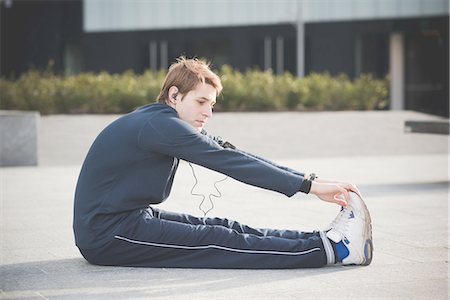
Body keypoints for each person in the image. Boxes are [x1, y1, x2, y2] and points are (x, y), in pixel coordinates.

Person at [73, 56, 373, 268]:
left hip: (127, 220)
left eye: (212, 105)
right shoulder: (161, 126)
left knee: (222, 226)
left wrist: (310, 180)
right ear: (174, 95)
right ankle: (337, 250)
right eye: (201, 102)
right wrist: (308, 187)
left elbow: (232, 152)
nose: (207, 113)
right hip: (109, 235)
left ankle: (324, 240)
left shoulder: (160, 121)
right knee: (217, 240)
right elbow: (229, 162)